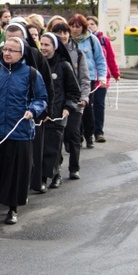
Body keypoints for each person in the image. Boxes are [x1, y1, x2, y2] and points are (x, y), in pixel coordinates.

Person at [0, 37, 47, 225]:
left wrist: (33, 111)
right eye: (5, 49)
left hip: (20, 132)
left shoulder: (32, 74)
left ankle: (12, 208)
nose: (7, 53)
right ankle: (9, 192)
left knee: (15, 171)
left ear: (22, 54)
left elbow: (41, 98)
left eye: (12, 50)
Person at [39, 33, 81, 189]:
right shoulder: (37, 64)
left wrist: (67, 107)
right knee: (41, 147)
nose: (43, 48)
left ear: (55, 47)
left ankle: (53, 175)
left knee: (53, 146)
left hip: (58, 113)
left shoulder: (64, 66)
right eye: (41, 44)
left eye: (46, 45)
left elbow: (74, 91)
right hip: (40, 113)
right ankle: (42, 177)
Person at [52, 22, 90, 180]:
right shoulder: (51, 54)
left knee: (73, 134)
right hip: (58, 101)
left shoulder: (78, 53)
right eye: (58, 32)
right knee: (58, 137)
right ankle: (56, 169)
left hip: (75, 100)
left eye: (64, 32)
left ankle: (74, 167)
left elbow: (84, 77)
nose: (62, 35)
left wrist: (84, 97)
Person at [68, 14, 107, 150]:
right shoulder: (68, 40)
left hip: (88, 78)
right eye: (72, 26)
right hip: (71, 78)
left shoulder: (92, 40)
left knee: (87, 107)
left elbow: (100, 60)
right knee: (74, 106)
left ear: (83, 27)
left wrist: (102, 77)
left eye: (78, 27)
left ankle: (89, 134)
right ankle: (77, 135)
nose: (74, 29)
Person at [86, 15, 118, 143]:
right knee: (88, 106)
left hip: (101, 79)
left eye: (92, 24)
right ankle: (86, 131)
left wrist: (115, 73)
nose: (90, 26)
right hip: (87, 79)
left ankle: (98, 132)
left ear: (97, 26)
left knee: (99, 104)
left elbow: (110, 58)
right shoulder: (82, 40)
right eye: (87, 24)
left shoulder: (104, 40)